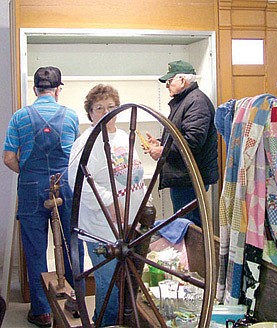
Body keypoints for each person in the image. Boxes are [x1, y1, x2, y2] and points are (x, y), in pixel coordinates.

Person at [3, 66, 84, 328]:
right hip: (65, 185)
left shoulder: (19, 117)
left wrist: (29, 173)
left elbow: (8, 158)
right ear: (58, 89)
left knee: (36, 249)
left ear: (36, 89)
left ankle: (42, 311)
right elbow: (76, 157)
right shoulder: (71, 116)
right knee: (71, 244)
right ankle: (76, 301)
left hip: (31, 186)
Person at [68, 84, 146, 326]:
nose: (106, 112)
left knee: (127, 284)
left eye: (111, 107)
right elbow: (78, 182)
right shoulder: (86, 143)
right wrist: (111, 203)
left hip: (129, 225)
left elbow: (134, 174)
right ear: (90, 113)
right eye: (99, 108)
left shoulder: (123, 136)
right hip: (102, 229)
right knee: (109, 285)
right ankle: (103, 323)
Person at [146, 60, 219, 227]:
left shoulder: (196, 102)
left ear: (183, 80)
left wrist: (163, 150)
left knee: (189, 228)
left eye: (170, 81)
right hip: (186, 178)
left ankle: (195, 254)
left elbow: (192, 142)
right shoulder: (188, 100)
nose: (167, 85)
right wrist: (160, 143)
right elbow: (183, 137)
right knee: (187, 226)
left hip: (189, 179)